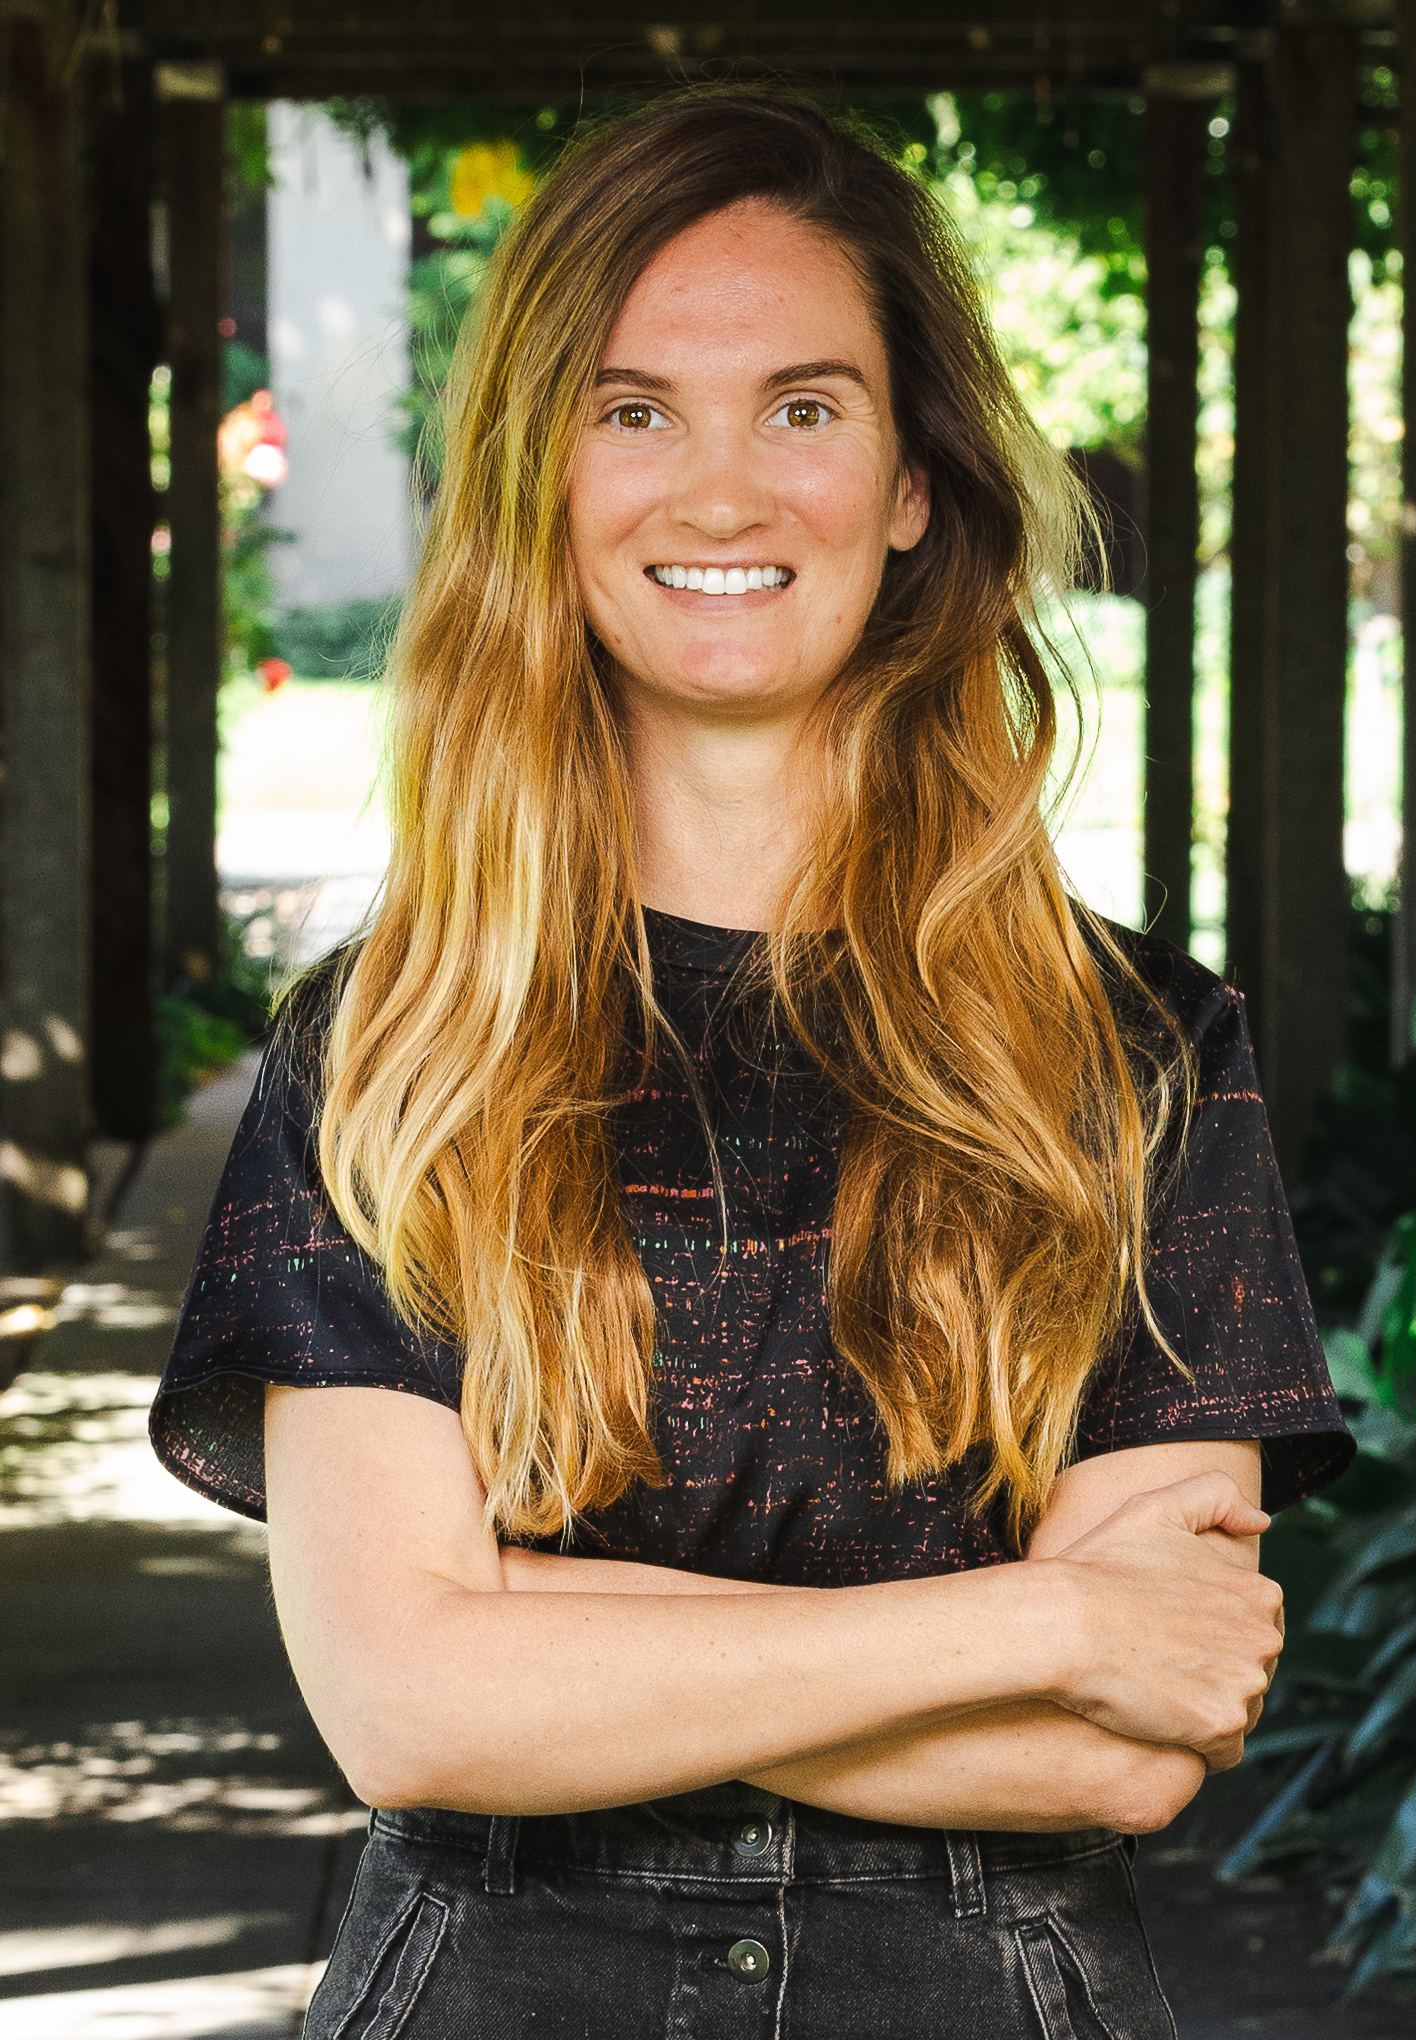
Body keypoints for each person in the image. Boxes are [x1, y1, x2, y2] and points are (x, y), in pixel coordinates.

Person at [152, 91, 1352, 2039]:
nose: (720, 492)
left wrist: (535, 1628)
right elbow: (405, 1708)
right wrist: (1042, 1620)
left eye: (801, 407)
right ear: (547, 472)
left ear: (908, 479)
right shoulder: (385, 1050)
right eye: (634, 410)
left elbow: (1134, 1749)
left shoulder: (1137, 1051)